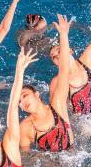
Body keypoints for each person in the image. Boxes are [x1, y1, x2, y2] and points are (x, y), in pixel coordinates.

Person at [20, 14, 74, 152]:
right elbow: (24, 159)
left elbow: (64, 69)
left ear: (37, 94)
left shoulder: (58, 106)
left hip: (74, 158)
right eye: (18, 101)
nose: (22, 101)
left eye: (25, 95)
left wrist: (64, 35)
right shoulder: (25, 128)